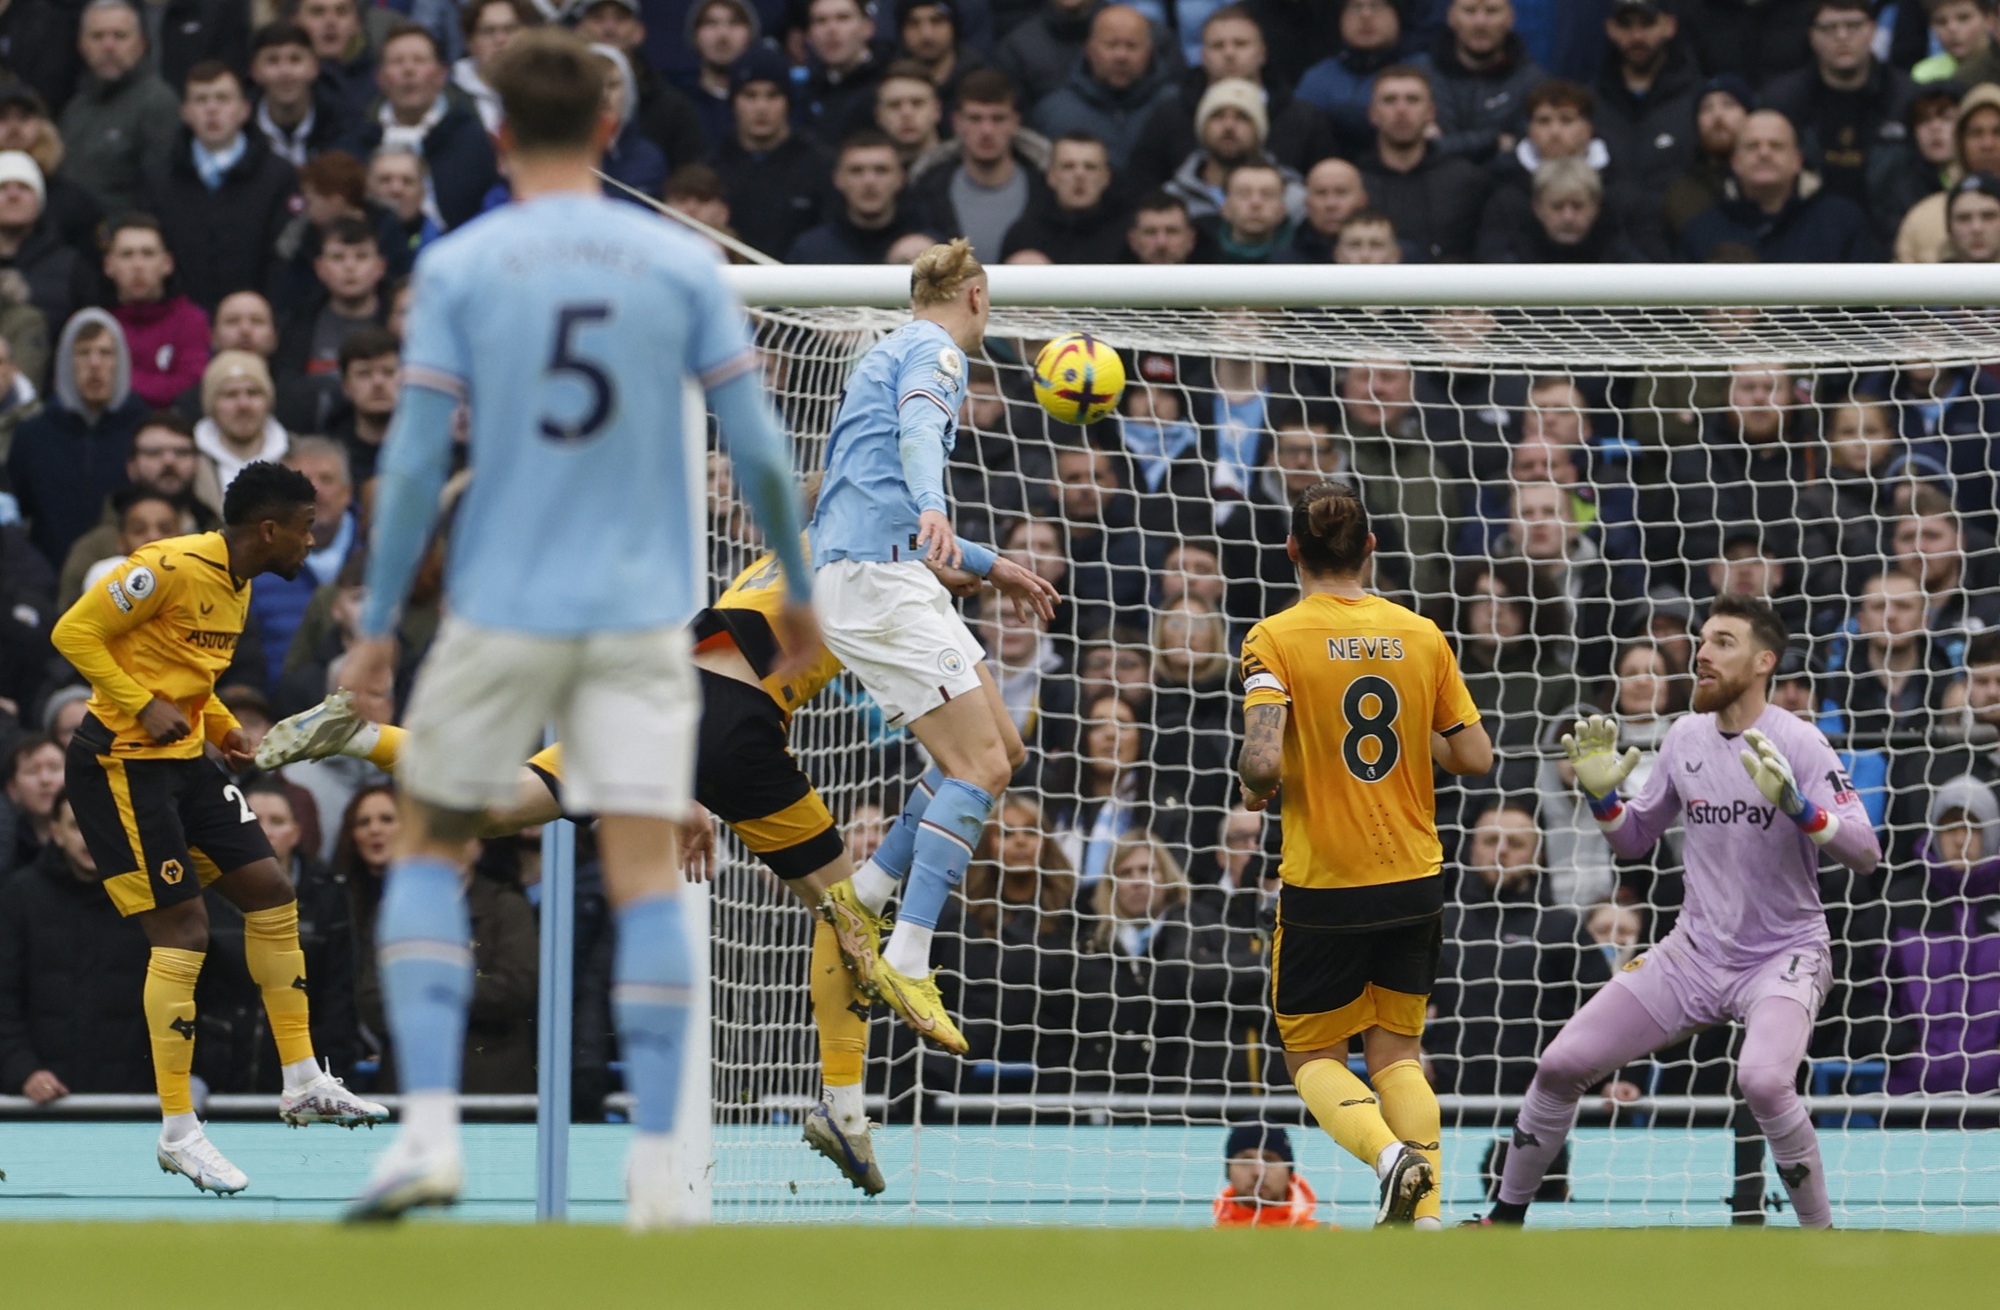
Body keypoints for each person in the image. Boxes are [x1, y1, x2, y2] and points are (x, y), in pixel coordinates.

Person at [336, 28, 817, 1227]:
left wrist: (382, 618)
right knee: (647, 870)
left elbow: (409, 459)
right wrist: (799, 577)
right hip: (640, 613)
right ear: (609, 132)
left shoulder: (462, 264)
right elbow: (754, 442)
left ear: (495, 136)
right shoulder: (677, 263)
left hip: (502, 604)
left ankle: (429, 1132)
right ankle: (658, 1166)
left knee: (432, 848)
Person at [1479, 595, 1881, 1229]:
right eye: (1701, 641)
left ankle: (1821, 1242)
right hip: (1692, 953)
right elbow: (1635, 839)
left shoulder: (1799, 742)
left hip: (1784, 955)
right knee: (1558, 1066)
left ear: (1763, 661)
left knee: (1765, 1083)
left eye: (1722, 642)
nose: (1701, 653)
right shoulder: (1684, 736)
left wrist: (1804, 811)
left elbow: (1866, 851)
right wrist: (1605, 798)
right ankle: (1501, 1222)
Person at [48, 461, 385, 1195]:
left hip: (184, 758)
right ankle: (179, 1131)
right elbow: (73, 631)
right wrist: (138, 705)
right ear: (270, 529)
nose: (312, 541)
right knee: (184, 932)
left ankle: (301, 1079)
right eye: (306, 529)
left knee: (271, 890)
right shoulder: (168, 566)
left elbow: (185, 678)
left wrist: (224, 726)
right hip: (121, 763)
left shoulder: (237, 585)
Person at [809, 238, 1065, 1065]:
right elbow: (920, 438)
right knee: (981, 767)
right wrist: (935, 507)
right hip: (879, 582)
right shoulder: (936, 354)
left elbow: (872, 486)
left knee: (1004, 749)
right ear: (978, 297)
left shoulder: (885, 350)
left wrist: (993, 566)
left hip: (881, 571)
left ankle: (872, 894)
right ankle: (909, 952)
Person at [1236, 478, 1493, 1228]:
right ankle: (1428, 1223)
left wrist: (1263, 780)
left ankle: (1389, 1159)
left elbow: (1259, 765)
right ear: (1371, 549)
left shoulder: (1274, 637)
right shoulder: (1422, 634)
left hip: (1326, 884)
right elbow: (1473, 755)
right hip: (1414, 876)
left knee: (1312, 1057)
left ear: (1292, 551)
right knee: (1398, 1057)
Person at [0, 790, 155, 1102]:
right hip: (39, 1102)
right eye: (78, 825)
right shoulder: (20, 896)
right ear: (56, 832)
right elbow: (4, 997)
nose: (91, 836)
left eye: (102, 823)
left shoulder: (151, 901)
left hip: (136, 1100)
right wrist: (24, 1069)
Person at [144, 61, 299, 315]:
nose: (212, 109)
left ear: (244, 110)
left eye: (223, 98)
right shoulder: (159, 178)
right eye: (201, 100)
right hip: (182, 324)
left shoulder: (278, 176)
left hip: (252, 322)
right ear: (185, 112)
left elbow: (282, 260)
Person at [8, 310, 150, 570]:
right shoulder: (33, 435)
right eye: (83, 353)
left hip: (131, 578)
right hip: (48, 578)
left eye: (105, 353)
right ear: (65, 361)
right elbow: (15, 518)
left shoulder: (146, 431)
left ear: (121, 361)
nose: (94, 364)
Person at [1679, 109, 1880, 263]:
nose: (1764, 153)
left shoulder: (1841, 222)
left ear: (1797, 160)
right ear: (1735, 162)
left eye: (1776, 145)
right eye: (1752, 146)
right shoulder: (1702, 230)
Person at [354, 22, 501, 232]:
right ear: (380, 78)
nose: (408, 70)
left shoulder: (473, 143)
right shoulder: (357, 142)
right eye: (397, 62)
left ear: (441, 75)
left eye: (419, 60)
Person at [906, 69, 1046, 264]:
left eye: (998, 119)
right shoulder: (928, 189)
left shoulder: (1045, 189)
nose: (986, 130)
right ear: (957, 123)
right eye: (975, 119)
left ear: (1015, 123)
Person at [58, 0, 181, 216]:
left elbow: (163, 191)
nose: (108, 46)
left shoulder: (157, 103)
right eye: (97, 36)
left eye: (120, 36)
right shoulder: (75, 108)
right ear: (82, 45)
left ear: (141, 44)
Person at [1355, 65, 1490, 262]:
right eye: (1390, 100)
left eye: (1413, 100)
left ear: (1431, 112)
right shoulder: (1355, 183)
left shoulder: (1466, 181)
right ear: (1372, 114)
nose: (1401, 110)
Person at [708, 45, 830, 261]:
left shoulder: (820, 165)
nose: (761, 107)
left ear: (788, 102)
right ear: (734, 103)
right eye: (750, 95)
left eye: (772, 95)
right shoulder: (712, 168)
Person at [1029, 5, 1178, 170]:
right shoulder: (1054, 113)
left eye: (1131, 46)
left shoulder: (1174, 107)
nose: (1121, 56)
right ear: (1090, 50)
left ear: (1149, 51)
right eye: (1111, 45)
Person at [1592, 0, 1700, 218]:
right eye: (1626, 25)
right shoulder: (1589, 103)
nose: (1637, 37)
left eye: (1648, 23)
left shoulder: (1699, 102)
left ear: (1670, 26)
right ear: (1610, 29)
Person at [103, 215, 209, 412]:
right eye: (127, 254)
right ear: (109, 265)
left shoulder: (191, 320)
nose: (138, 265)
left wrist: (119, 380)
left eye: (148, 254)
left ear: (167, 263)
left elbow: (190, 387)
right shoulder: (99, 323)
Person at [786, 130, 932, 263]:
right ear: (838, 179)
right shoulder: (810, 251)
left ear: (900, 178)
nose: (869, 181)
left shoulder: (930, 249)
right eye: (856, 171)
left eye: (881, 170)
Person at [1428, 0, 1546, 163]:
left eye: (1492, 11)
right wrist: (1495, 141)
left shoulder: (1533, 82)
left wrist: (1448, 144)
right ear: (1451, 17)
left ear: (1511, 18)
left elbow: (1528, 150)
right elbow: (1422, 149)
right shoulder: (1421, 77)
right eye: (1469, 11)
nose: (1480, 22)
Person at [251, 19, 363, 167]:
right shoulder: (240, 129)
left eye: (295, 60)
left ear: (314, 67)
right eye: (273, 60)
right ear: (255, 72)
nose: (285, 72)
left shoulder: (344, 125)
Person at [1000, 131, 1126, 262]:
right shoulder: (1025, 236)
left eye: (1090, 167)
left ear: (1106, 177)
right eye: (1068, 167)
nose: (1079, 175)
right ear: (1051, 176)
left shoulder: (1127, 237)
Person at [1213, 1123, 1316, 1227]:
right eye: (1246, 1160)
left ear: (1289, 1171)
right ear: (1228, 1171)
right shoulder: (1207, 1241)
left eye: (1269, 1160)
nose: (1258, 1172)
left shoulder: (1327, 1236)